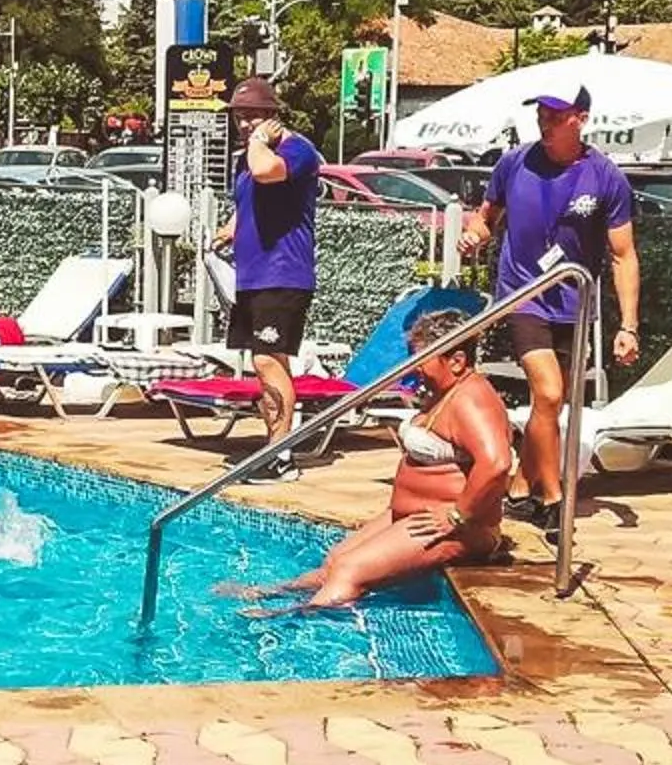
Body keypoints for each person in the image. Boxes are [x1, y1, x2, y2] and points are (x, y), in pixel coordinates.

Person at [226, 310, 513, 611]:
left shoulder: (472, 399)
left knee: (351, 570)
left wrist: (457, 515)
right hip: (414, 515)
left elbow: (497, 463)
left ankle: (292, 621)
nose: (414, 368)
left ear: (456, 361)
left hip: (456, 527)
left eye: (423, 359)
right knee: (336, 560)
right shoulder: (446, 391)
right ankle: (277, 593)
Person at [462, 83, 641, 525]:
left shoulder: (605, 177)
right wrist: (473, 235)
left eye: (556, 115)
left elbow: (623, 254)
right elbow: (486, 218)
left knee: (551, 406)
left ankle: (521, 488)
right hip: (523, 294)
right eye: (541, 112)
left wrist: (629, 325)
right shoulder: (514, 163)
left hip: (574, 303)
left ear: (580, 118)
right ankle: (554, 497)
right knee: (548, 391)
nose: (545, 122)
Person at [210, 78, 322, 449]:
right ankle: (276, 443)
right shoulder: (245, 158)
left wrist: (259, 142)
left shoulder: (297, 150)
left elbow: (266, 173)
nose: (245, 125)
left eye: (254, 117)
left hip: (283, 273)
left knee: (266, 361)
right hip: (252, 276)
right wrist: (228, 230)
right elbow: (247, 204)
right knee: (269, 362)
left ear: (273, 117)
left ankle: (279, 453)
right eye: (239, 117)